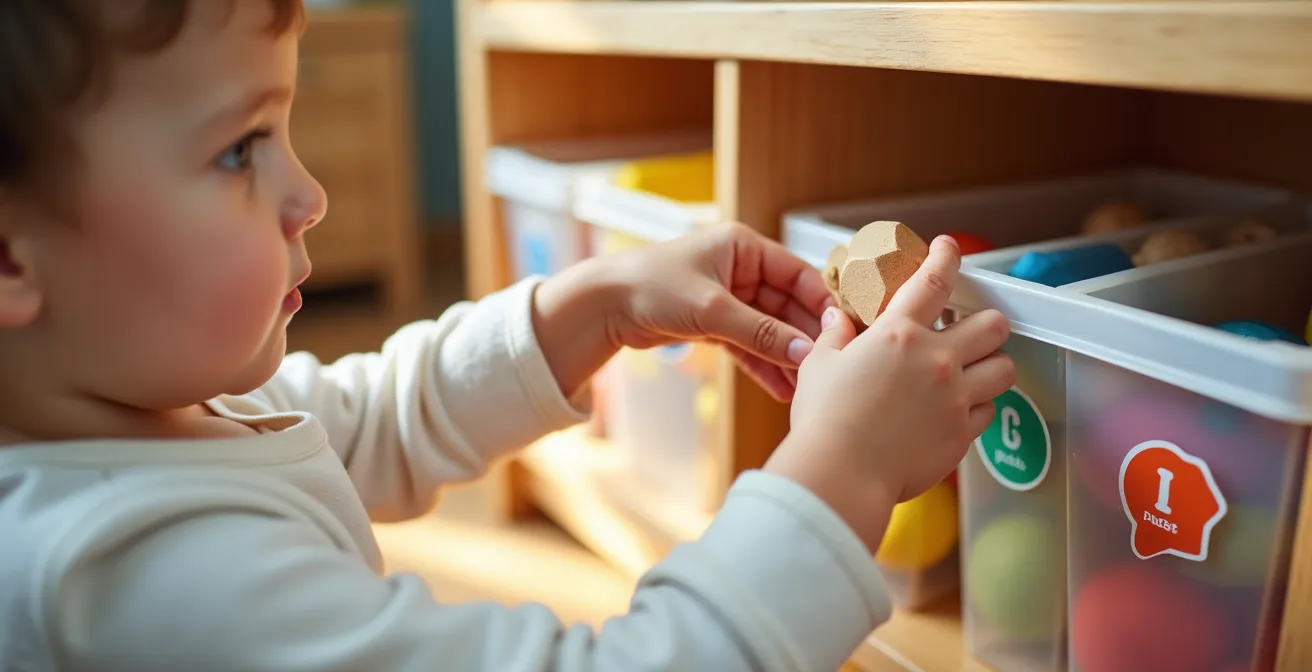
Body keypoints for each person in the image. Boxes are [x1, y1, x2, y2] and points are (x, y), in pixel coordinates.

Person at [0, 1, 1015, 670]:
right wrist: (844, 468)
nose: (308, 195)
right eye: (238, 150)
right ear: (11, 256)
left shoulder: (149, 411)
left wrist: (596, 302)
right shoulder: (141, 578)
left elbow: (367, 421)